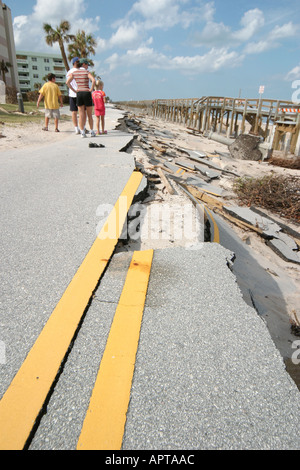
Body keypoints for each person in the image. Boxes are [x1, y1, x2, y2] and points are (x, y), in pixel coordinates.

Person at [66, 58, 96, 138]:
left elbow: (67, 82)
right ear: (83, 64)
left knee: (81, 114)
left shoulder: (74, 72)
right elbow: (93, 80)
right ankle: (92, 131)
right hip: (86, 92)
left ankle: (82, 132)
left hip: (79, 93)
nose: (87, 67)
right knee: (89, 114)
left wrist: (75, 90)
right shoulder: (86, 72)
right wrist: (91, 89)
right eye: (87, 65)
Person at [67, 57, 80, 134]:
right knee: (81, 112)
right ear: (75, 62)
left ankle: (76, 128)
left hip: (72, 94)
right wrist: (75, 90)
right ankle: (82, 128)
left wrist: (73, 90)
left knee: (74, 112)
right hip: (78, 93)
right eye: (78, 61)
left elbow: (68, 83)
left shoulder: (69, 72)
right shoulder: (77, 71)